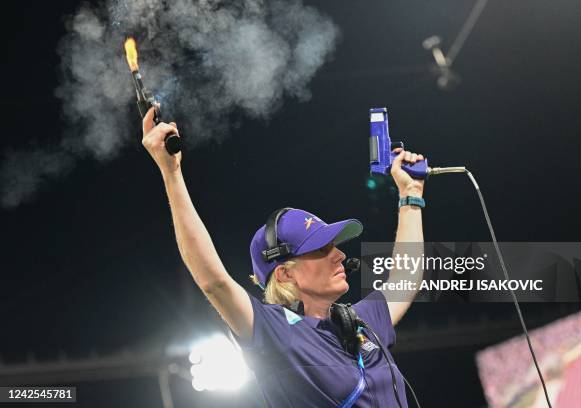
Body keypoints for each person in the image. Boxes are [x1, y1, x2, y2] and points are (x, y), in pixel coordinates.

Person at [142, 108, 426, 407]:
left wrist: (410, 195)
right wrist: (171, 171)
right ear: (285, 273)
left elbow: (405, 278)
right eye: (321, 249)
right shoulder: (275, 332)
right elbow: (215, 283)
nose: (340, 255)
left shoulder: (358, 323)